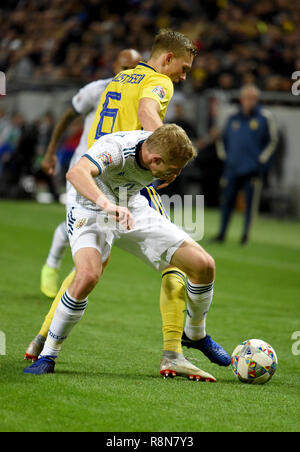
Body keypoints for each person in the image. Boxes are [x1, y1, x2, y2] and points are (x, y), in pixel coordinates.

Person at [25, 30, 230, 370]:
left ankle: (41, 339)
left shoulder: (119, 78)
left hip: (110, 172)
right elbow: (150, 111)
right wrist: (167, 148)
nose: (183, 76)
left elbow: (76, 115)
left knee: (87, 271)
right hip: (120, 176)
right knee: (172, 268)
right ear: (166, 58)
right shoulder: (160, 82)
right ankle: (174, 352)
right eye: (183, 68)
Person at [24, 124, 218, 381]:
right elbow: (76, 172)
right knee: (88, 275)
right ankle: (48, 355)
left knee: (204, 265)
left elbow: (156, 124)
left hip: (131, 205)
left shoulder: (158, 144)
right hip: (90, 209)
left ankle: (194, 334)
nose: (176, 174)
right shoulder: (115, 149)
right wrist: (106, 205)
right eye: (173, 169)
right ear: (155, 159)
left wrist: (168, 171)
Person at [40, 48, 142, 298]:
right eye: (124, 66)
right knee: (81, 221)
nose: (128, 72)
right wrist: (51, 150)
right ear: (114, 65)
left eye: (134, 68)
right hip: (84, 168)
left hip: (116, 173)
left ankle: (78, 279)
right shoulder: (96, 90)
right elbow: (68, 115)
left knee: (100, 225)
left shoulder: (142, 95)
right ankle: (52, 267)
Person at [215, 84, 278, 245]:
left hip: (252, 170)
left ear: (257, 100)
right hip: (232, 168)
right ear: (241, 99)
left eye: (253, 98)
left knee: (250, 205)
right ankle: (221, 234)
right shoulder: (233, 118)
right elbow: (222, 140)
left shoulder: (264, 118)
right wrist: (226, 158)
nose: (249, 101)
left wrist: (260, 161)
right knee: (227, 202)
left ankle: (245, 237)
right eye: (247, 98)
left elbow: (272, 142)